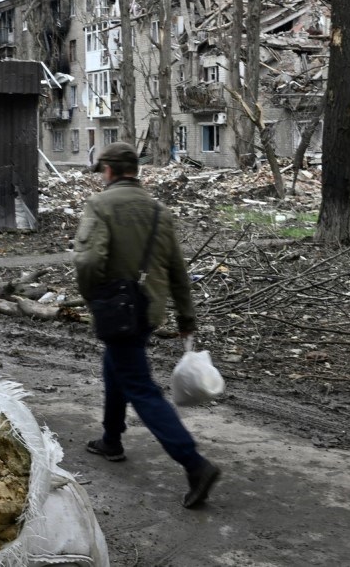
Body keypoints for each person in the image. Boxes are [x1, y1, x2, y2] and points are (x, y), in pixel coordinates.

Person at [74, 142, 221, 509]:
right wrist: (187, 318)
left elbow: (90, 261)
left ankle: (194, 464)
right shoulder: (159, 211)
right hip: (148, 311)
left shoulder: (100, 206)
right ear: (134, 171)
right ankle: (112, 438)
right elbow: (177, 271)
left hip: (117, 310)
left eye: (102, 171)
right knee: (117, 367)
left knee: (140, 387)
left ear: (108, 171)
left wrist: (93, 296)